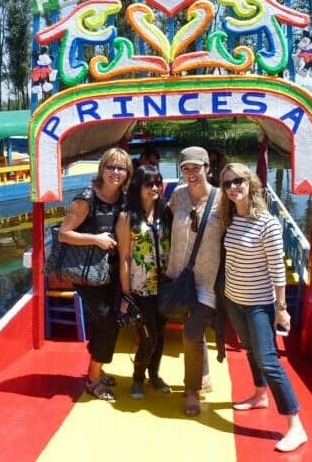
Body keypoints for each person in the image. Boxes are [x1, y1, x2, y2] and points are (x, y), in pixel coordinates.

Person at [217, 162, 308, 452]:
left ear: (250, 183)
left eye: (238, 181)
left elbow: (278, 269)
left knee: (268, 360)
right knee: (249, 350)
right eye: (227, 183)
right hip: (234, 299)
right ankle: (259, 395)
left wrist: (281, 307)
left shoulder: (267, 223)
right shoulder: (230, 217)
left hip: (259, 303)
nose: (233, 187)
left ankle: (296, 426)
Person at [58, 147, 132, 401]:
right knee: (106, 320)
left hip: (111, 272)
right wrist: (95, 239)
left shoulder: (123, 199)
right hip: (88, 274)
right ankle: (93, 379)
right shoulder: (86, 198)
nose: (115, 172)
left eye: (121, 168)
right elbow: (63, 234)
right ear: (102, 169)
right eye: (111, 166)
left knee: (111, 320)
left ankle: (97, 369)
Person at [166, 146, 222, 416]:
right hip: (178, 277)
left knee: (190, 334)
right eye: (185, 168)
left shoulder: (223, 200)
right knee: (193, 333)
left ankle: (192, 390)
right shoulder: (177, 196)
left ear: (207, 168)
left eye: (196, 168)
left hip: (207, 282)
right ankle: (205, 374)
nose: (190, 173)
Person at [116, 165, 172, 399]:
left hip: (165, 284)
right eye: (149, 184)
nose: (155, 188)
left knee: (160, 333)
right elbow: (125, 256)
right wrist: (127, 291)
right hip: (141, 287)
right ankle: (138, 378)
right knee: (148, 336)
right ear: (138, 187)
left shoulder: (165, 212)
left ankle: (154, 375)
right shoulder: (127, 217)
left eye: (158, 183)